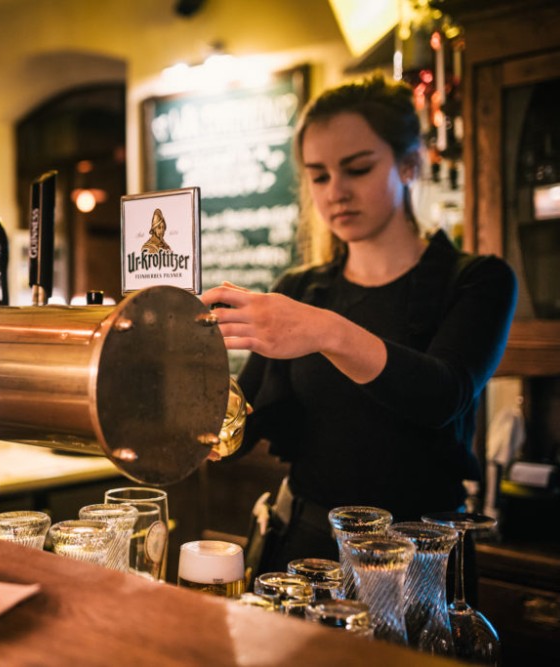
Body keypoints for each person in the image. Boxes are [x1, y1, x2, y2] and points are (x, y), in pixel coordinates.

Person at [201, 73, 517, 576]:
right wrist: (179, 385)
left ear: (410, 164)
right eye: (319, 175)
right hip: (306, 548)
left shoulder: (478, 280)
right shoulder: (302, 289)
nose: (336, 192)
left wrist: (326, 331)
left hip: (421, 559)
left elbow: (441, 395)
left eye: (358, 169)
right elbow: (245, 423)